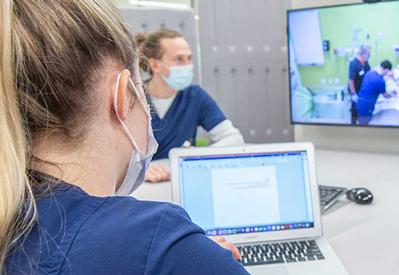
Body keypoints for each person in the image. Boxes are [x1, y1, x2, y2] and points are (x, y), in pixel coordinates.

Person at [0, 1, 248, 274]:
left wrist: (191, 255)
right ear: (120, 96)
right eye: (138, 89)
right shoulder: (160, 240)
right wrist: (192, 257)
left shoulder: (15, 219)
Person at [137, 29, 244, 183]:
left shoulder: (195, 97)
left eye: (189, 58)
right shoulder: (134, 99)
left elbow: (233, 138)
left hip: (181, 181)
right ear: (155, 65)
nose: (187, 65)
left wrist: (195, 159)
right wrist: (141, 170)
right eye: (179, 59)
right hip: (143, 185)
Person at [356, 60, 393, 126]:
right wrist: (392, 95)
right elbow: (385, 95)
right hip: (367, 106)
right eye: (388, 71)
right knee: (364, 125)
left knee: (361, 123)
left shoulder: (369, 73)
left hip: (360, 102)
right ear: (387, 69)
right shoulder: (380, 81)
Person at [348, 45, 371, 125]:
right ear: (362, 54)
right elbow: (351, 80)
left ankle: (362, 123)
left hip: (363, 90)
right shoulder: (354, 64)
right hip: (355, 90)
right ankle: (353, 125)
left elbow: (368, 73)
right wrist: (354, 94)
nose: (369, 56)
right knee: (355, 109)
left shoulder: (366, 63)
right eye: (368, 54)